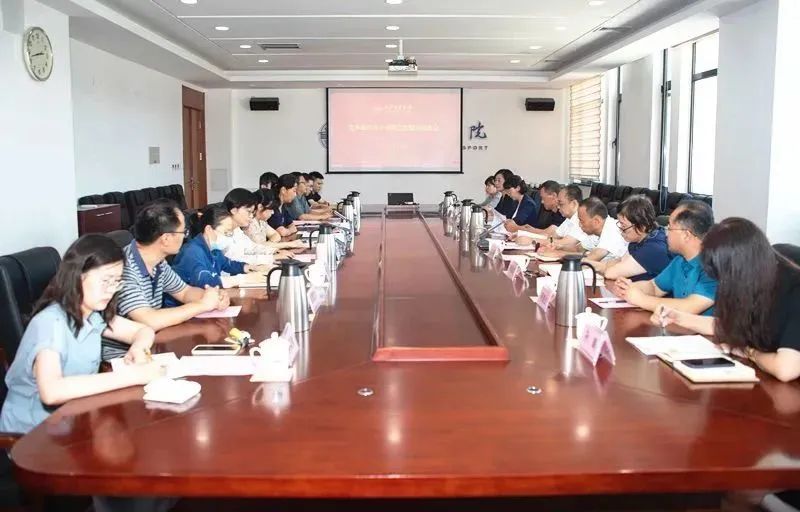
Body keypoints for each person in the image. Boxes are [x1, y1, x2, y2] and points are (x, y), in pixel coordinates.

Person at [0, 235, 164, 435]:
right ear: (78, 276)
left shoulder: (92, 314)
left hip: (75, 420)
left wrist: (138, 348)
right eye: (105, 281)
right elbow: (51, 392)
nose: (111, 290)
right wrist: (132, 376)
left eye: (117, 282)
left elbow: (143, 330)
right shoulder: (50, 323)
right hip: (33, 436)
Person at [652, 218, 800, 382]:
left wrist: (749, 351)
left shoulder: (794, 289)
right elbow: (726, 325)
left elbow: (786, 369)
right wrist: (678, 317)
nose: (722, 283)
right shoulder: (754, 278)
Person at [106, 200, 230, 360]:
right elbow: (149, 320)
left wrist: (213, 296)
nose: (185, 237)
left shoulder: (158, 262)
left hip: (153, 345)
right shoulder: (124, 269)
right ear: (165, 239)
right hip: (123, 358)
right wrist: (203, 305)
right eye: (183, 232)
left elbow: (184, 292)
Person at [614, 199, 716, 315]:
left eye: (670, 228)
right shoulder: (679, 260)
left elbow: (689, 307)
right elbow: (654, 287)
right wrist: (629, 288)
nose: (666, 233)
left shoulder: (714, 266)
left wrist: (641, 299)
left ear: (686, 235)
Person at [169, 206, 271, 292]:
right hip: (185, 305)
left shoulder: (215, 250)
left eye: (230, 233)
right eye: (226, 232)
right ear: (209, 229)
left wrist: (252, 268)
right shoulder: (192, 251)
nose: (228, 237)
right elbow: (205, 282)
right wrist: (244, 279)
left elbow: (229, 264)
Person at [586, 195, 671, 281]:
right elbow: (616, 263)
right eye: (620, 224)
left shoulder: (653, 249)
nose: (620, 229)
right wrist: (585, 263)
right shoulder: (639, 240)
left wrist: (590, 264)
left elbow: (611, 273)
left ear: (641, 226)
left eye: (624, 226)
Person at [222, 188, 282, 266]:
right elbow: (238, 258)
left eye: (252, 212)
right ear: (234, 210)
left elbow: (251, 247)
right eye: (249, 211)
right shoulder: (222, 231)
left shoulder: (236, 230)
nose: (251, 216)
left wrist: (275, 251)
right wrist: (272, 257)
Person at [518, 184, 592, 248]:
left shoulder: (581, 220)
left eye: (561, 203)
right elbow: (551, 236)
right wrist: (523, 235)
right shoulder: (569, 219)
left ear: (574, 204)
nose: (558, 207)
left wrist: (533, 240)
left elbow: (565, 243)